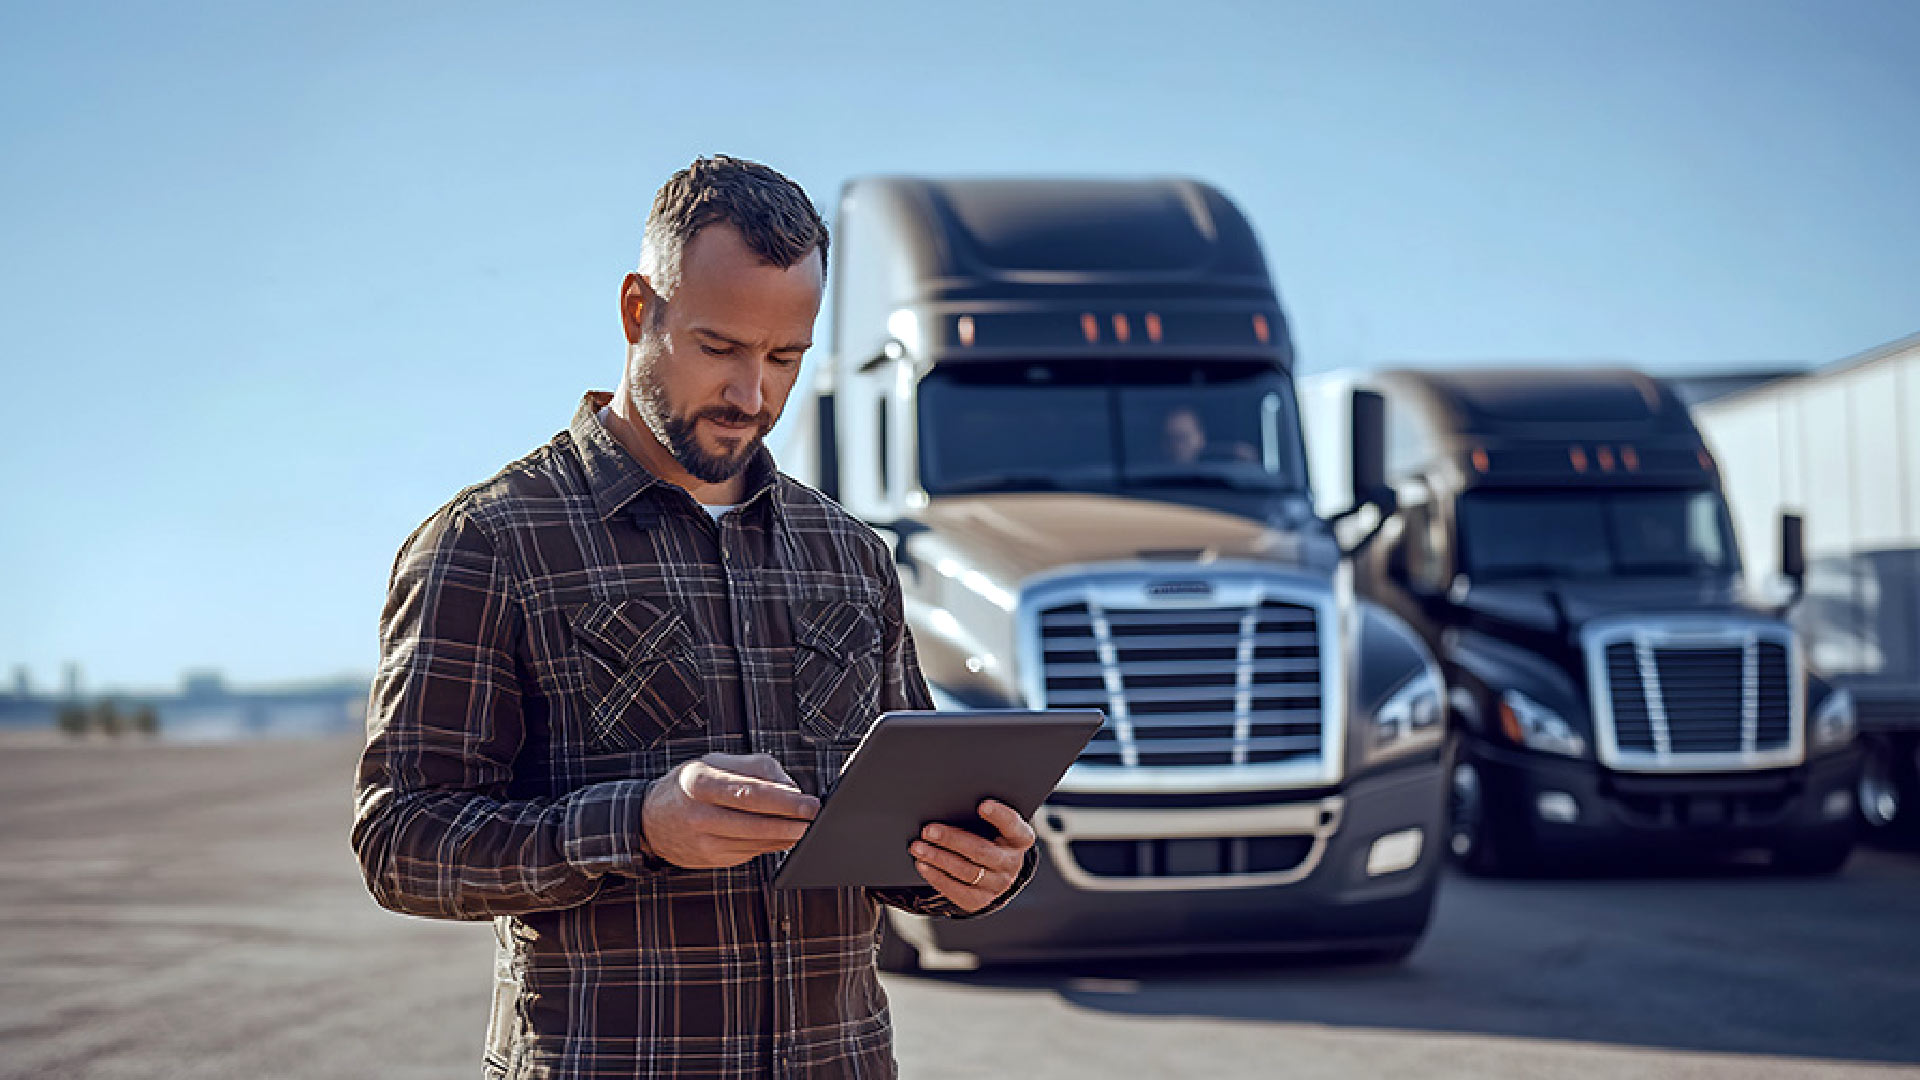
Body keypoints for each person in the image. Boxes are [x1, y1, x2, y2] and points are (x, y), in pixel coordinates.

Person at [352, 156, 1037, 1080]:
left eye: (785, 358)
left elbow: (901, 824)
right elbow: (401, 843)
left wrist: (975, 872)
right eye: (720, 348)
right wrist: (637, 825)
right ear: (639, 310)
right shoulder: (490, 543)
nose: (752, 396)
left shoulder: (851, 555)